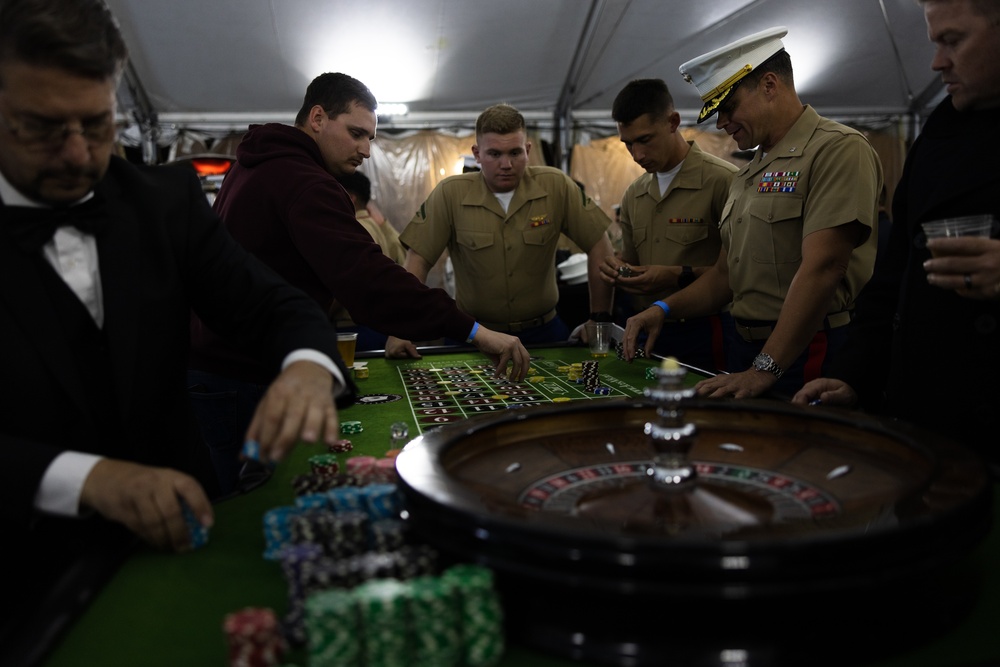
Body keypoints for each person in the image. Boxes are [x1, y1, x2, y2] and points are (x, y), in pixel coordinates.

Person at [0, 0, 350, 641]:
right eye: (43, 128)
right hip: (20, 573)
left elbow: (274, 305)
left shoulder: (162, 201)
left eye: (97, 123)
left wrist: (303, 367)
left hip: (182, 543)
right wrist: (86, 478)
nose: (78, 154)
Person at [188, 74, 531, 489]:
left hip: (217, 369)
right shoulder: (304, 181)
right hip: (247, 378)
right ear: (317, 117)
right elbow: (366, 278)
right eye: (355, 134)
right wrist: (471, 330)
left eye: (370, 138)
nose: (365, 151)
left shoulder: (252, 165)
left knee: (236, 504)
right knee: (257, 509)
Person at [622, 27, 883, 398]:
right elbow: (725, 276)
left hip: (805, 354)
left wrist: (765, 368)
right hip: (747, 351)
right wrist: (663, 308)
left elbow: (824, 268)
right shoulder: (747, 173)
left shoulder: (837, 150)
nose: (721, 123)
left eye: (727, 108)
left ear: (770, 85)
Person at [794, 0, 1000, 460]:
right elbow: (895, 279)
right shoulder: (944, 130)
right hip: (927, 421)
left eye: (953, 40)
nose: (936, 62)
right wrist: (856, 374)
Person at [387, 103, 616, 354]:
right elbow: (417, 260)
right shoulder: (450, 194)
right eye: (494, 154)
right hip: (473, 335)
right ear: (477, 153)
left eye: (515, 153)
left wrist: (600, 318)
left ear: (528, 150)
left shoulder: (556, 186)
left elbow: (599, 243)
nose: (506, 164)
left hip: (543, 334)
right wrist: (400, 329)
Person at [600, 78, 738, 372]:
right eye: (628, 144)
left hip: (704, 332)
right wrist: (618, 268)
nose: (637, 155)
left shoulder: (723, 182)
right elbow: (634, 261)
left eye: (645, 140)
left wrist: (675, 276)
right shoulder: (634, 194)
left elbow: (738, 274)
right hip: (646, 332)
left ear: (673, 122)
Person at [330, 170, 405, 351]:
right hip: (377, 325)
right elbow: (401, 257)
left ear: (350, 197)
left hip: (353, 329)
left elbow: (346, 282)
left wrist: (321, 314)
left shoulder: (353, 229)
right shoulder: (376, 225)